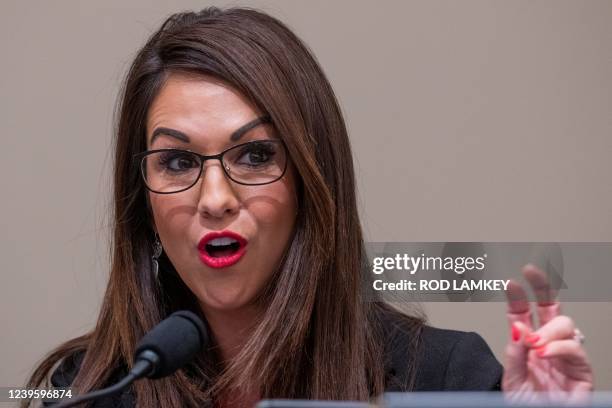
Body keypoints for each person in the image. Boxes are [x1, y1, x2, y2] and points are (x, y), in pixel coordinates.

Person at [24, 7, 593, 408]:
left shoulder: (444, 379)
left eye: (254, 155)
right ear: (141, 195)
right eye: (176, 163)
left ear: (312, 183)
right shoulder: (85, 390)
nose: (216, 200)